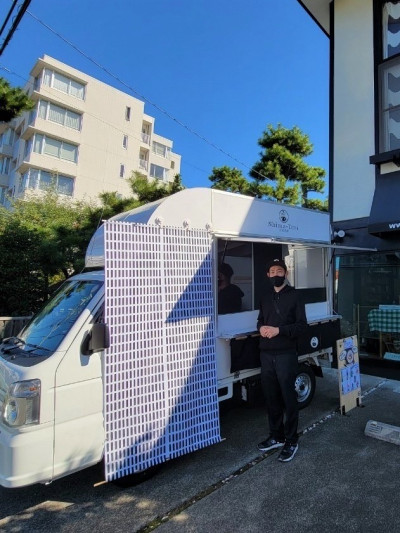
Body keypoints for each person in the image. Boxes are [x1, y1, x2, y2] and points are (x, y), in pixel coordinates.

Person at [256, 258, 307, 462]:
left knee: (288, 398)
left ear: (285, 274)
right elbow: (260, 319)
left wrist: (279, 330)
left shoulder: (295, 296)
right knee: (271, 397)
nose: (276, 274)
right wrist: (261, 327)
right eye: (272, 271)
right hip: (266, 353)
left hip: (286, 353)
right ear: (268, 275)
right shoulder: (265, 297)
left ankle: (291, 440)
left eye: (279, 271)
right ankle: (276, 436)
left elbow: (302, 326)